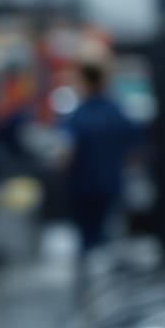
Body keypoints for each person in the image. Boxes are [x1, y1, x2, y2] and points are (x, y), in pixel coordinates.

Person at [57, 58, 143, 281]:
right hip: (111, 185)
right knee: (110, 240)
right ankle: (109, 286)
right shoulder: (117, 113)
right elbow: (134, 151)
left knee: (87, 242)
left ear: (84, 82)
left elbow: (66, 155)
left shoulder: (77, 117)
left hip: (83, 188)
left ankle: (87, 290)